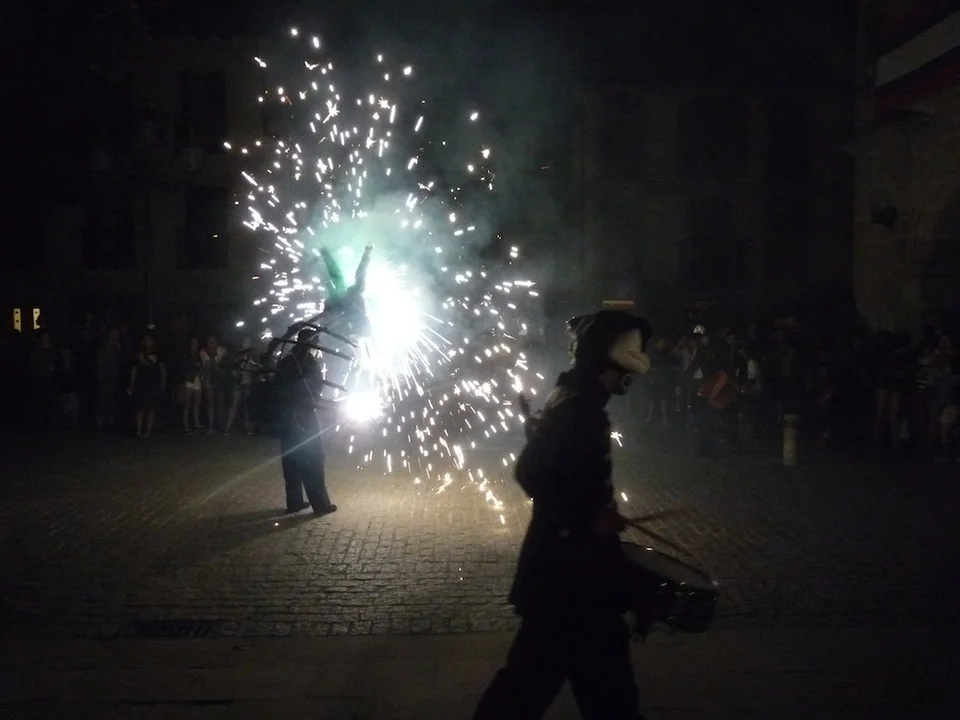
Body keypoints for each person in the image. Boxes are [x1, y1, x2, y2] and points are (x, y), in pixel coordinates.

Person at [473, 309, 653, 720]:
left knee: (588, 691)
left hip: (571, 578)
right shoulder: (580, 410)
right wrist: (589, 519)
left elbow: (554, 469)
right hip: (570, 580)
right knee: (533, 690)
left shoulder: (574, 399)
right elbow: (532, 473)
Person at [275, 327, 337, 516]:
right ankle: (320, 504)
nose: (317, 345)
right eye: (315, 342)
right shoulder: (307, 362)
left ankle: (294, 501)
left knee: (291, 458)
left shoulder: (287, 360)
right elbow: (314, 388)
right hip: (304, 414)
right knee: (313, 457)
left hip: (286, 415)